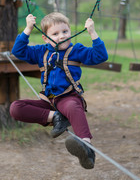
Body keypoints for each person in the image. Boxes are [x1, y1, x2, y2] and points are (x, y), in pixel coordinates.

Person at [10, 12, 108, 169]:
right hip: (48, 101)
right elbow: (18, 51)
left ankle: (86, 148)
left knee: (72, 107)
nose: (61, 36)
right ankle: (56, 117)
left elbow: (100, 56)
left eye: (65, 31)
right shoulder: (40, 51)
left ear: (70, 31)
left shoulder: (76, 50)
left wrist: (92, 32)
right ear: (45, 38)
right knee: (16, 108)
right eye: (55, 34)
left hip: (68, 97)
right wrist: (28, 29)